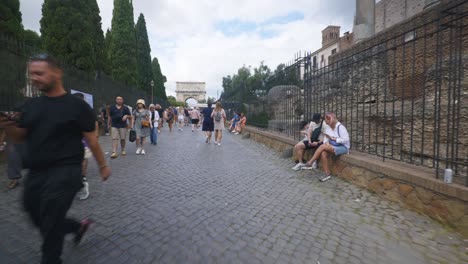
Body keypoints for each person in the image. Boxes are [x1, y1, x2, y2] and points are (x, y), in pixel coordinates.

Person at [0, 54, 111, 264]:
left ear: (57, 73)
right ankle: (77, 227)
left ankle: (51, 259)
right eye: (31, 74)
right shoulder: (31, 106)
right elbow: (20, 136)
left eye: (39, 73)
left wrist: (103, 165)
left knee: (51, 217)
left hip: (67, 171)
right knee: (32, 209)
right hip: (37, 171)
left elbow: (92, 140)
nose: (34, 78)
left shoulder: (77, 106)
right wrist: (7, 125)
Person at [301, 112, 350, 182]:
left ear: (332, 121)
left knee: (322, 147)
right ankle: (327, 174)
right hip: (332, 145)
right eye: (327, 123)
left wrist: (334, 139)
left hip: (343, 147)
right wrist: (326, 143)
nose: (327, 125)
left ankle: (310, 162)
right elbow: (326, 138)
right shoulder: (328, 127)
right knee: (323, 153)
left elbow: (346, 140)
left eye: (328, 123)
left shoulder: (341, 127)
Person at [73, 92, 99, 200]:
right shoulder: (70, 111)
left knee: (83, 160)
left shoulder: (87, 110)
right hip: (74, 141)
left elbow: (95, 123)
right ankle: (80, 179)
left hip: (84, 140)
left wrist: (95, 136)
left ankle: (83, 181)